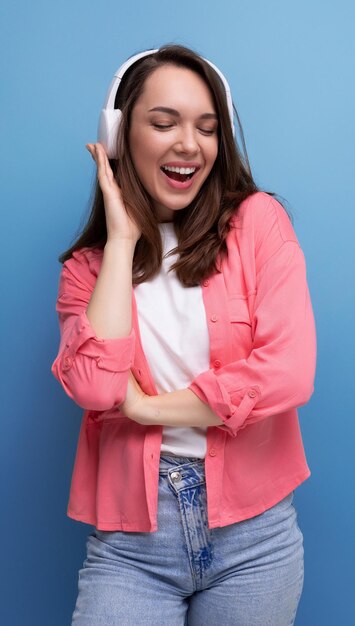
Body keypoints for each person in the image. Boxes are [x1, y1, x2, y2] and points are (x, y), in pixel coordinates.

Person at [52, 44, 317, 626]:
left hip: (255, 538)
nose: (187, 145)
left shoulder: (258, 224)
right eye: (163, 122)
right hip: (132, 546)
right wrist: (122, 241)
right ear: (119, 138)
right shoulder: (89, 270)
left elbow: (290, 371)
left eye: (206, 128)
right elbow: (97, 391)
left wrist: (146, 409)